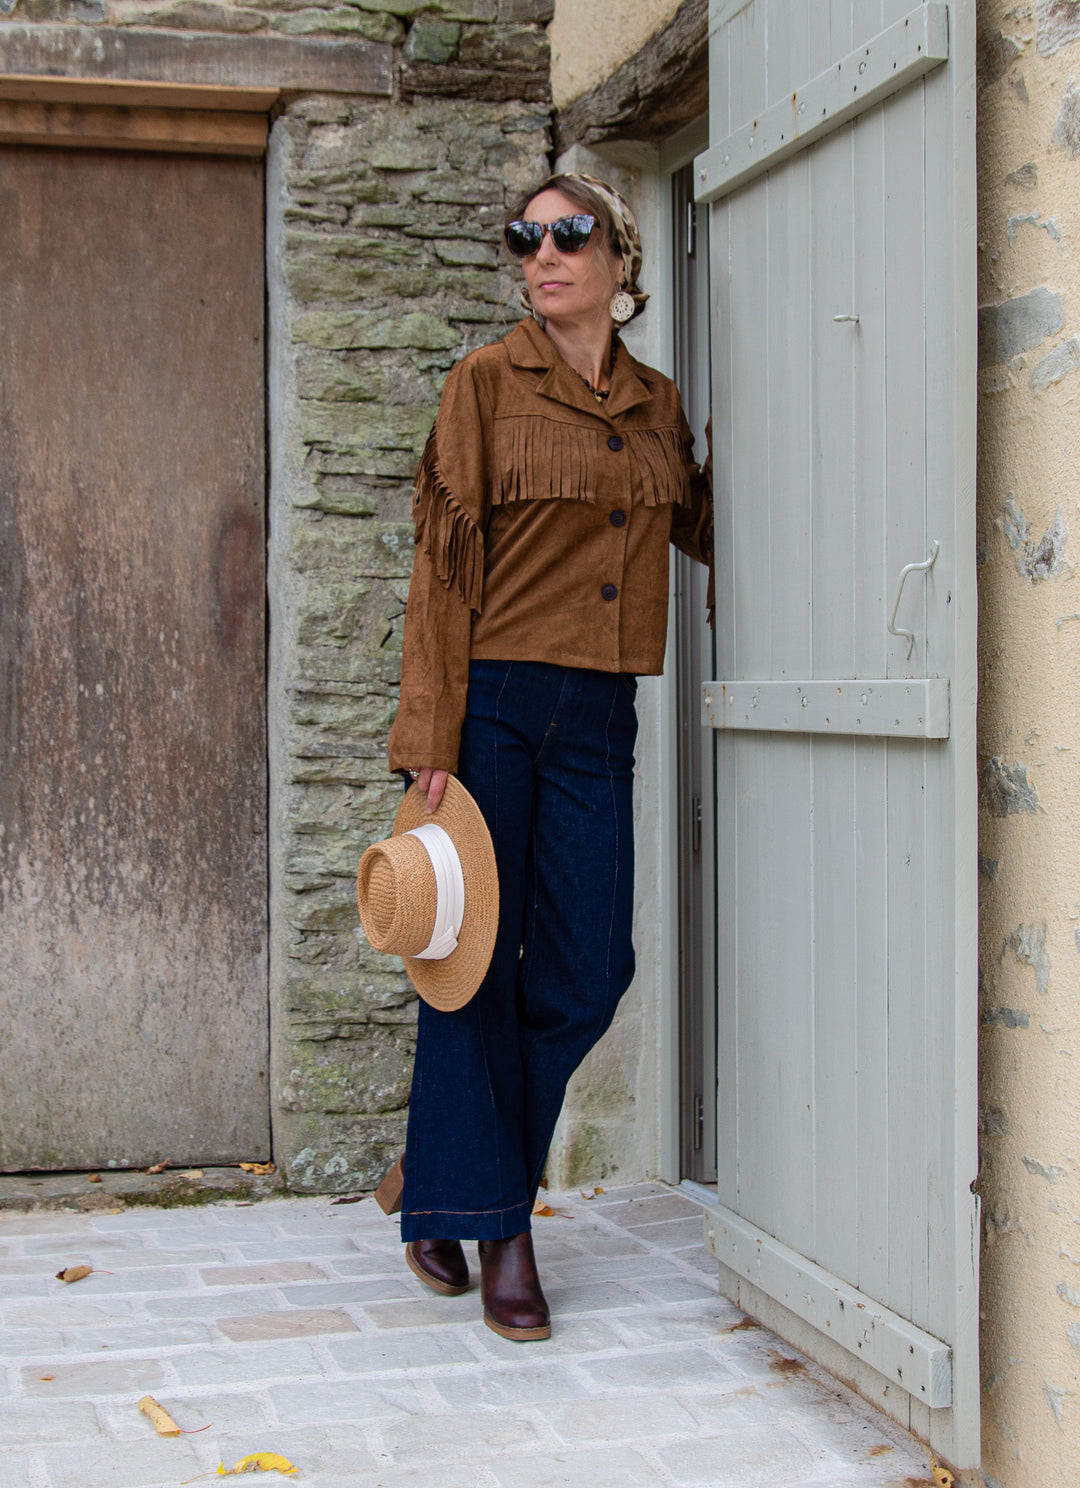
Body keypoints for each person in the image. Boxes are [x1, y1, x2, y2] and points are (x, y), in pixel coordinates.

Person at [383, 173, 712, 1342]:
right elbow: (444, 562)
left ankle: (444, 1176)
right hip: (497, 709)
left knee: (585, 971)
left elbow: (710, 522)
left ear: (622, 260)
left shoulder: (660, 405)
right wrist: (430, 734)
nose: (545, 253)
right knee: (473, 958)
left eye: (570, 234)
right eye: (525, 238)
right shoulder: (485, 382)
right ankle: (503, 1227)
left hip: (602, 711)